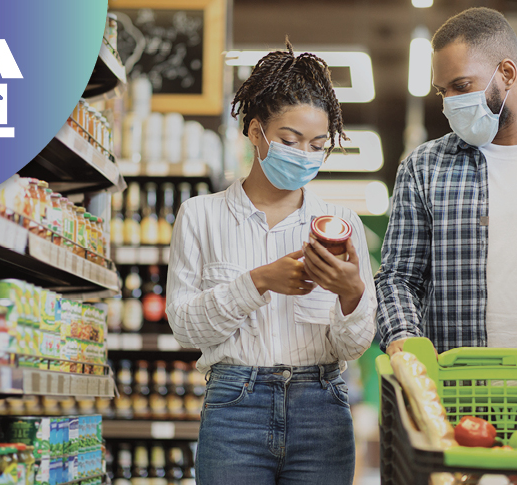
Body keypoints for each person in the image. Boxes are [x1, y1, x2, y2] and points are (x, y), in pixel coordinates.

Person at [166, 40, 377, 485]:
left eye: (317, 144)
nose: (304, 154)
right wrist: (259, 282)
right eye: (290, 139)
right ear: (255, 131)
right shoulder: (200, 216)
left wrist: (350, 292)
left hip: (322, 408)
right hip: (233, 410)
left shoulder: (341, 224)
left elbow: (351, 348)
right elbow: (185, 328)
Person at [375, 7, 517, 366]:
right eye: (442, 91)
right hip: (460, 395)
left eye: (462, 86)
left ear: (507, 73)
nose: (450, 101)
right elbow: (397, 277)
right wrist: (403, 336)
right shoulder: (424, 168)